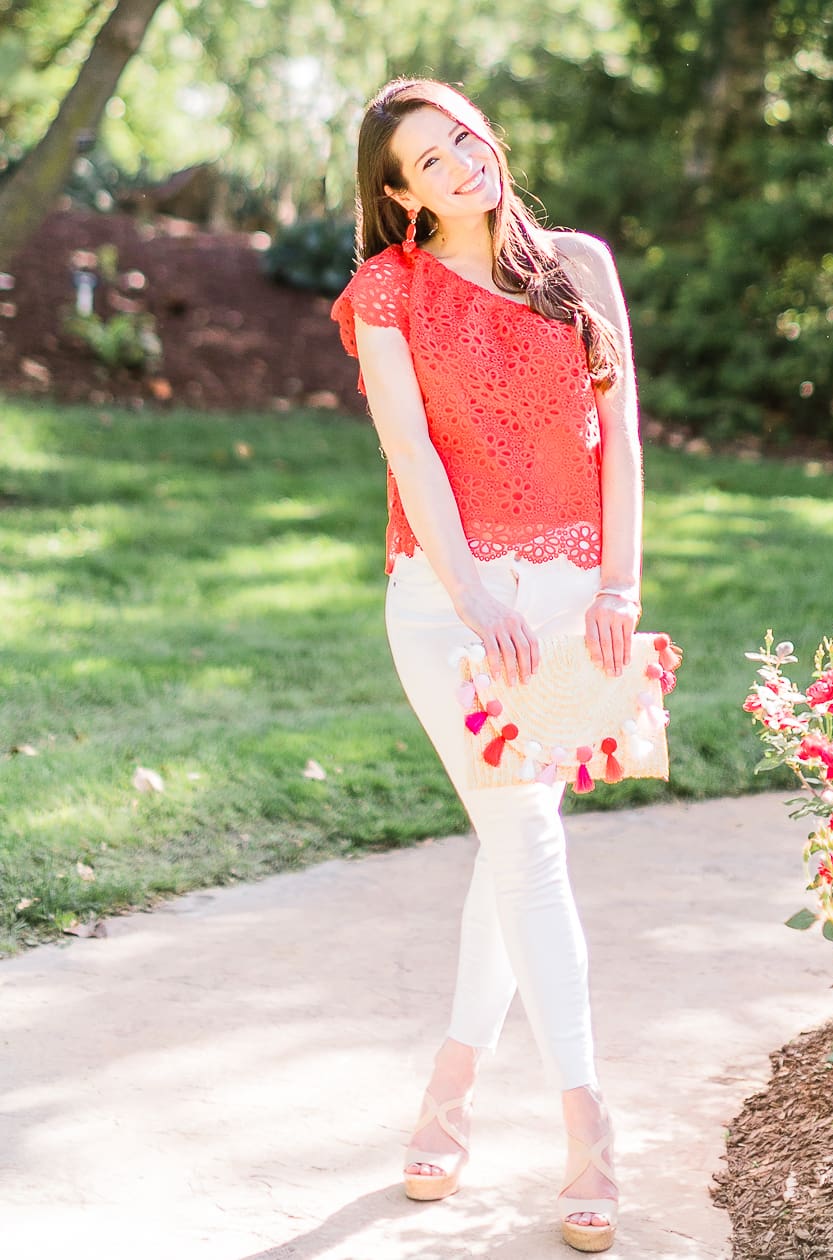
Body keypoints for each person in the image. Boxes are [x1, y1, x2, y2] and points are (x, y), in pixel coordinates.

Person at [330, 76, 644, 1254]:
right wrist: (476, 604)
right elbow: (407, 452)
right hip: (448, 608)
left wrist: (618, 585)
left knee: (514, 848)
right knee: (529, 845)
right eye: (428, 157)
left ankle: (448, 1098)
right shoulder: (387, 291)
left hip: (575, 600)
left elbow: (619, 440)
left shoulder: (578, 267)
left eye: (463, 136)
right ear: (399, 194)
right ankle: (588, 1136)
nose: (461, 161)